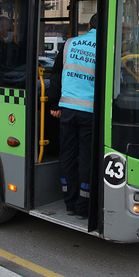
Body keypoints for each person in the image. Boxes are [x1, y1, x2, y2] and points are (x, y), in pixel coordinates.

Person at [50, 15, 97, 219]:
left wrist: (54, 103)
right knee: (86, 157)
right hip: (90, 112)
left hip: (67, 109)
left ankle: (69, 203)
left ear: (88, 27)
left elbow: (56, 74)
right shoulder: (105, 46)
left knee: (67, 155)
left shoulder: (70, 44)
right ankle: (83, 207)